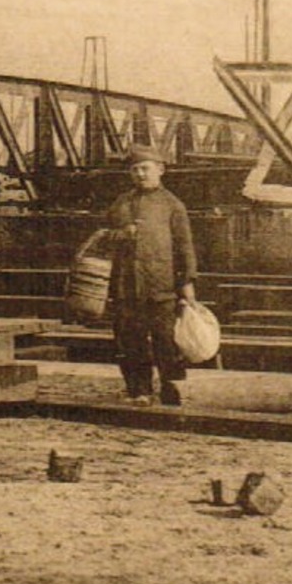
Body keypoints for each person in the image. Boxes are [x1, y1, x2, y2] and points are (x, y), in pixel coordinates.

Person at [104, 143, 198, 406]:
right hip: (126, 287)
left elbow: (184, 246)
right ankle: (139, 391)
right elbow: (103, 238)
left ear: (161, 170)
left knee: (166, 342)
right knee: (129, 342)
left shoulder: (172, 205)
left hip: (162, 287)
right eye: (135, 170)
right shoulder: (121, 203)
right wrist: (122, 234)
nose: (140, 174)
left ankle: (173, 390)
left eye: (145, 168)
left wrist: (187, 282)